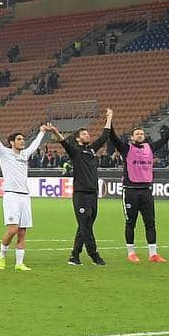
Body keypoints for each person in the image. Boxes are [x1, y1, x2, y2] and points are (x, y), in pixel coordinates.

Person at [106, 111, 169, 263]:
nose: (140, 135)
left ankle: (153, 253)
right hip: (130, 190)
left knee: (150, 222)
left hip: (146, 190)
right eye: (137, 134)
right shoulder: (126, 149)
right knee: (131, 222)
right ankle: (131, 252)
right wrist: (109, 120)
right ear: (132, 137)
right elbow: (113, 137)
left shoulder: (150, 148)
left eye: (142, 134)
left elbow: (164, 139)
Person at [0, 114, 46, 271]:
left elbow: (35, 145)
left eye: (23, 139)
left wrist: (42, 132)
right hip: (11, 195)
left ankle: (19, 263)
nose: (22, 141)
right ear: (12, 142)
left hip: (25, 196)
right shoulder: (4, 153)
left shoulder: (24, 155)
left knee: (22, 232)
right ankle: (2, 254)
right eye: (19, 139)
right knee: (12, 230)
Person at [48, 112, 111, 265]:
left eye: (87, 133)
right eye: (84, 133)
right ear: (77, 138)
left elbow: (104, 137)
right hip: (81, 194)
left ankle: (74, 256)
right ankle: (94, 255)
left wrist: (109, 118)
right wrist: (55, 131)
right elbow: (63, 142)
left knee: (85, 226)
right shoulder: (75, 151)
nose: (87, 135)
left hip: (93, 194)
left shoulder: (91, 150)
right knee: (85, 225)